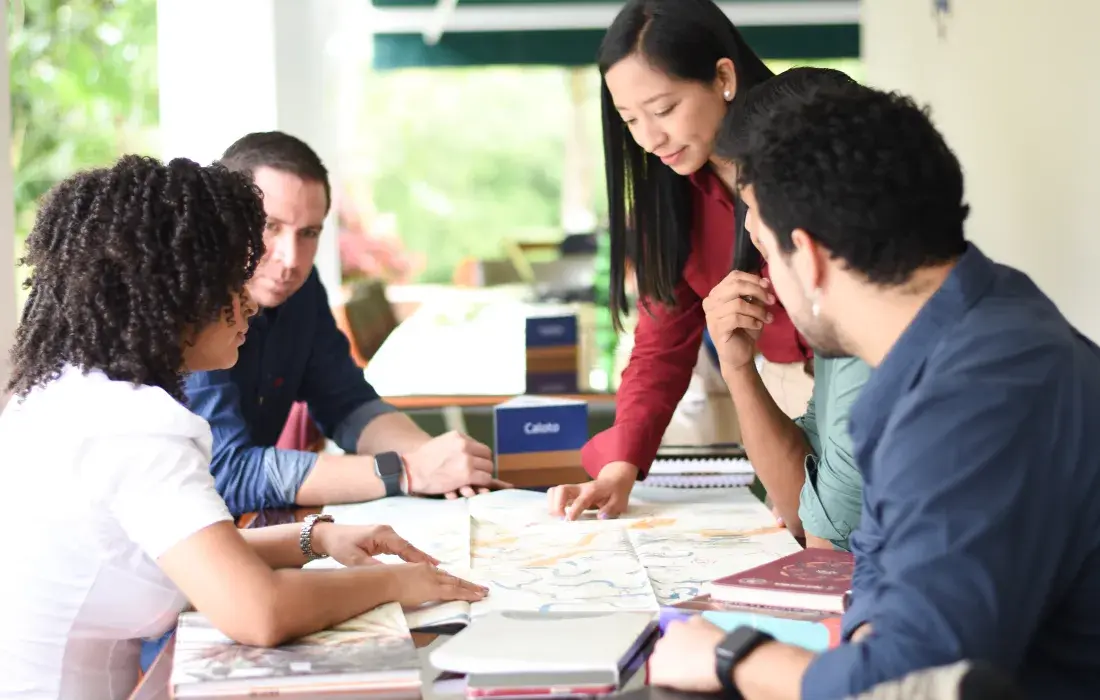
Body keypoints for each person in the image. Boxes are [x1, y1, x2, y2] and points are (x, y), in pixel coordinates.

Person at [647, 81, 1100, 698]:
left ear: (806, 257)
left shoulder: (971, 397)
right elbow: (881, 592)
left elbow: (909, 680)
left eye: (763, 246)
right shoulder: (974, 322)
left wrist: (733, 657)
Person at [0, 156, 487, 699]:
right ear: (172, 293)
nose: (248, 305)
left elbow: (195, 556)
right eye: (232, 282)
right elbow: (259, 612)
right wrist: (398, 583)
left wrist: (316, 537)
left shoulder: (74, 392)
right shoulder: (133, 429)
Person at [546, 0, 813, 521]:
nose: (649, 139)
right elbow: (661, 341)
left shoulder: (816, 156)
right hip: (775, 395)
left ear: (723, 77)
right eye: (630, 120)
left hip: (865, 380)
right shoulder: (668, 199)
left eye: (664, 109)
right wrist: (621, 462)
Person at [184, 131, 509, 518]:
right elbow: (226, 475)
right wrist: (407, 471)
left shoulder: (301, 292)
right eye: (270, 226)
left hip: (247, 531)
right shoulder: (188, 308)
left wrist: (438, 461)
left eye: (308, 233)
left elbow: (347, 403)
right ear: (223, 219)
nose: (290, 259)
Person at [703, 67, 872, 550]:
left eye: (753, 207)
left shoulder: (876, 348)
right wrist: (736, 364)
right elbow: (803, 507)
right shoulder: (844, 327)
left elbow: (827, 566)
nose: (750, 232)